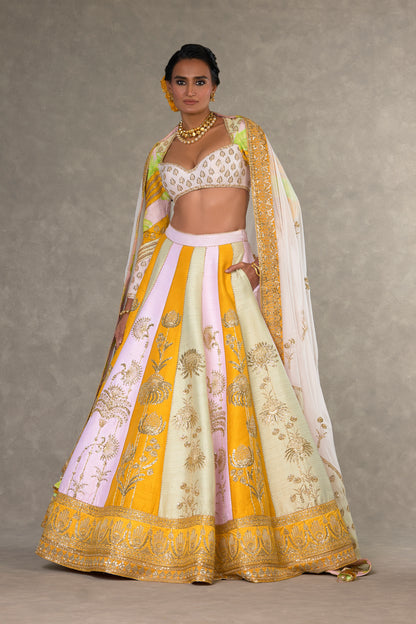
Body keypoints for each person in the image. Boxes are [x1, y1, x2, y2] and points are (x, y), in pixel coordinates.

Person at [36, 44, 370, 583]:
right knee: (157, 392)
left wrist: (261, 264)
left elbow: (281, 204)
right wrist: (133, 301)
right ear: (166, 88)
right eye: (180, 81)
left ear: (214, 86)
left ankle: (247, 534)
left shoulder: (243, 134)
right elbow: (151, 229)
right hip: (171, 272)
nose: (189, 90)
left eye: (199, 81)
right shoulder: (158, 152)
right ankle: (133, 534)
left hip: (225, 270)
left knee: (233, 389)